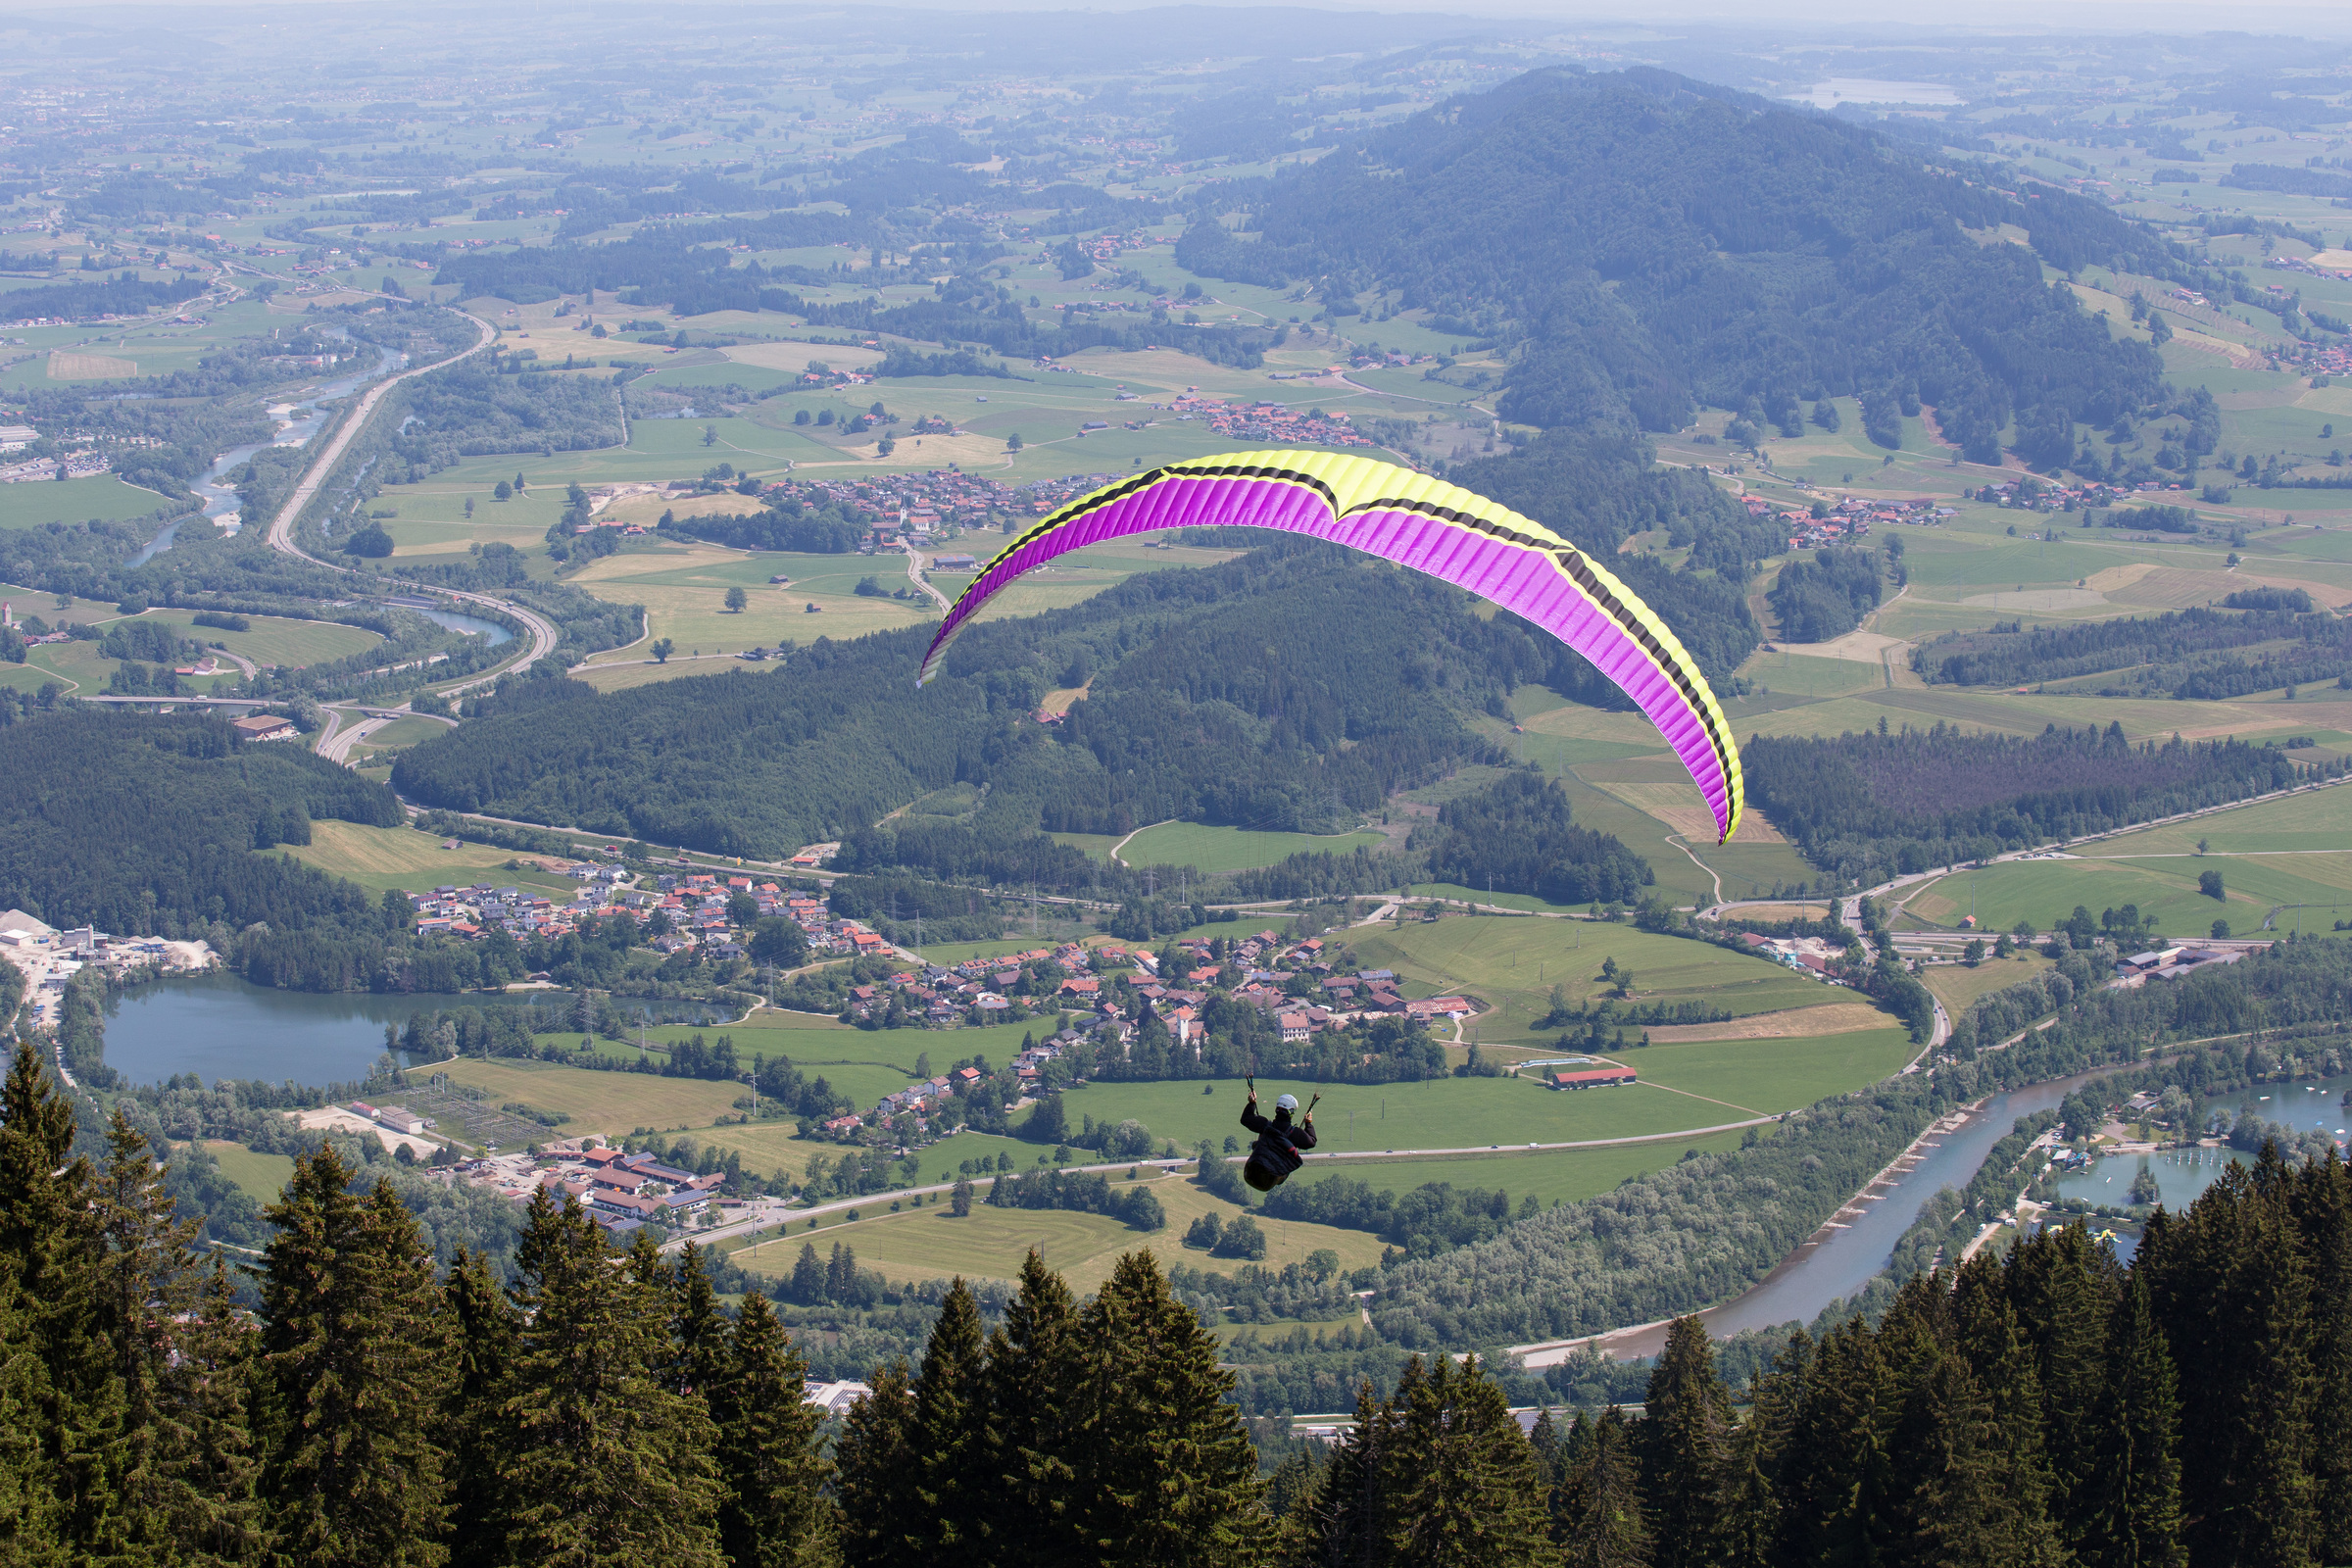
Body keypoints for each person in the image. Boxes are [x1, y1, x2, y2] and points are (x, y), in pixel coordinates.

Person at [1240, 1087, 1317, 1193]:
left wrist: (1251, 1103)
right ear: (1291, 1112)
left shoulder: (1264, 1125)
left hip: (1250, 1173)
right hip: (1271, 1180)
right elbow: (1312, 1142)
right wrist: (1308, 1124)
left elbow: (1245, 1119)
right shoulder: (1295, 1134)